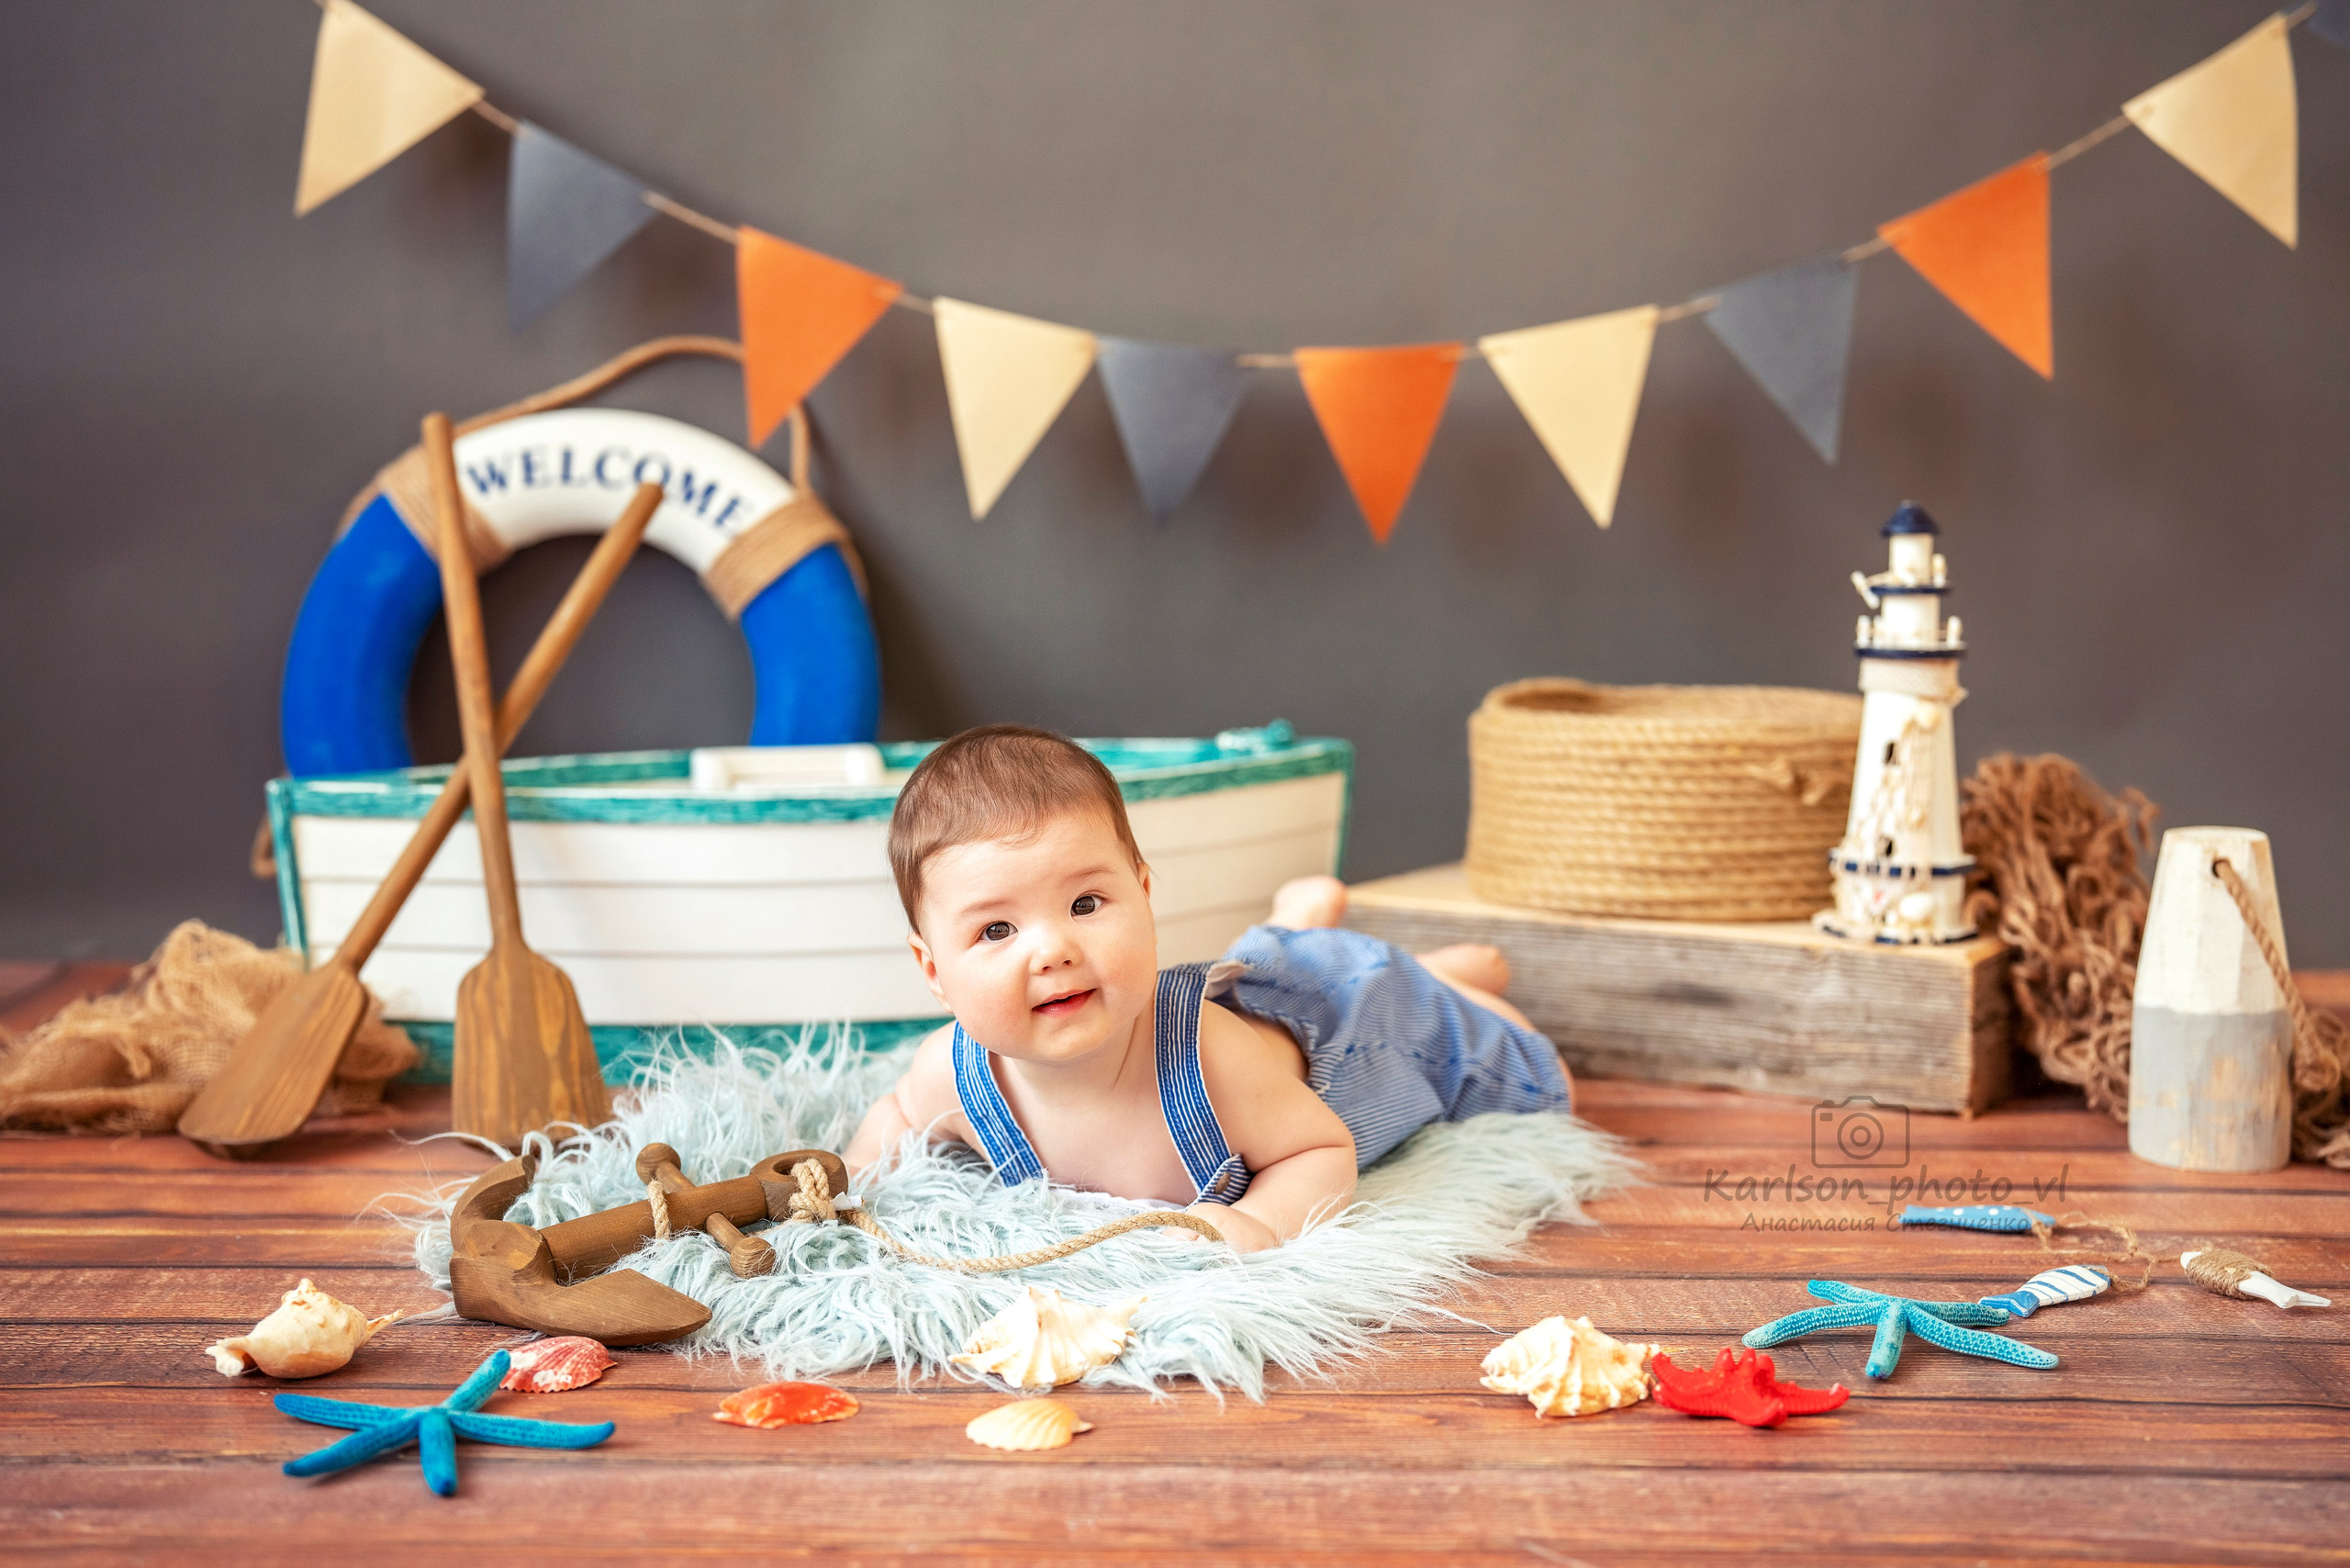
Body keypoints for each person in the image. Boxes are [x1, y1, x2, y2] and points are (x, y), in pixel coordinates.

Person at [845, 725, 1573, 1252]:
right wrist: (845, 1176)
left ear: (1143, 891)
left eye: (1086, 905)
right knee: (1261, 964)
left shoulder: (1210, 1059)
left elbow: (1318, 1151)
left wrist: (1260, 1222)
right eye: (996, 931)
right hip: (1255, 990)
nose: (1054, 949)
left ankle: (1442, 980)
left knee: (1538, 1075)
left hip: (1353, 1022)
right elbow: (895, 1115)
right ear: (935, 971)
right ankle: (1298, 923)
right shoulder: (952, 1073)